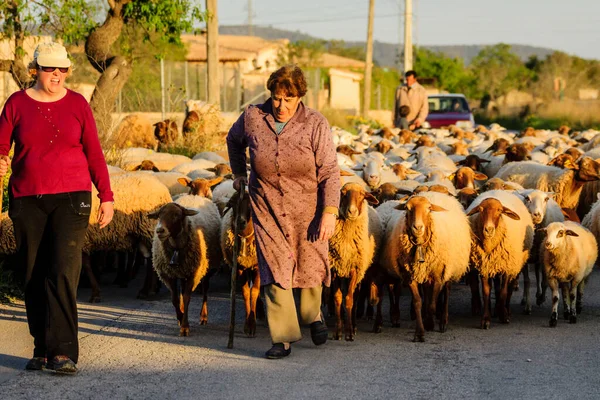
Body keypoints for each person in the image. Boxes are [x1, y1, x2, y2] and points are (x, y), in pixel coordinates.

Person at [0, 42, 114, 374]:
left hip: (73, 197)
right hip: (27, 198)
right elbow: (1, 143)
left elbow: (94, 152)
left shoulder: (78, 104)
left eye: (63, 69)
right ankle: (41, 347)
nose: (58, 75)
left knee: (64, 271)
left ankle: (63, 352)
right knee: (32, 273)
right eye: (50, 69)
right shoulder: (17, 103)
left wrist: (106, 195)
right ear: (35, 69)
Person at [227, 65, 340, 359]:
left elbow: (329, 169)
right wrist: (239, 173)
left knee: (310, 263)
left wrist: (329, 211)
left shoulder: (315, 123)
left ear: (300, 97)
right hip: (267, 205)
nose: (281, 105)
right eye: (277, 98)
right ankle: (283, 338)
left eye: (288, 99)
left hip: (307, 207)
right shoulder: (253, 117)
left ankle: (312, 316)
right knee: (274, 268)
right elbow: (233, 141)